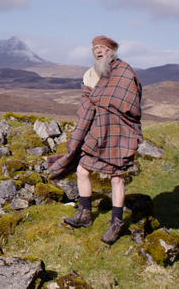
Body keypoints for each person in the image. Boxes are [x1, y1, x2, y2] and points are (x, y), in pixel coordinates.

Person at [47, 35, 143, 244]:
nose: (99, 51)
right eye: (95, 49)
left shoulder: (124, 71)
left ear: (112, 51)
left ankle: (116, 222)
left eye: (103, 48)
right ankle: (85, 214)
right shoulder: (91, 74)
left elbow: (131, 103)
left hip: (118, 132)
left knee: (116, 178)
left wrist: (101, 100)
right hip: (98, 132)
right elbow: (86, 103)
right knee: (82, 170)